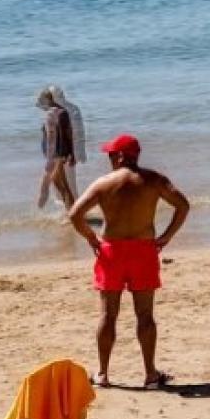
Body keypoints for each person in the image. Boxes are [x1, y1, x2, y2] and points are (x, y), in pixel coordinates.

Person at [66, 134, 191, 388]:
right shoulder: (154, 180)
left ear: (121, 156)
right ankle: (150, 375)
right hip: (143, 251)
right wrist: (166, 237)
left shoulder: (103, 184)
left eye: (111, 155)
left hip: (111, 252)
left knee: (107, 315)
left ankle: (102, 374)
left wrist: (91, 238)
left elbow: (75, 214)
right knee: (145, 315)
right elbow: (183, 206)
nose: (110, 159)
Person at [35, 88, 84, 212]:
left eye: (41, 101)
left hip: (56, 157)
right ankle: (71, 212)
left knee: (60, 187)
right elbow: (69, 134)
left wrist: (50, 159)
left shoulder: (51, 114)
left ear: (47, 100)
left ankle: (73, 214)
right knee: (62, 186)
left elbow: (52, 137)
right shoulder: (64, 112)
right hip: (61, 156)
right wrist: (71, 153)